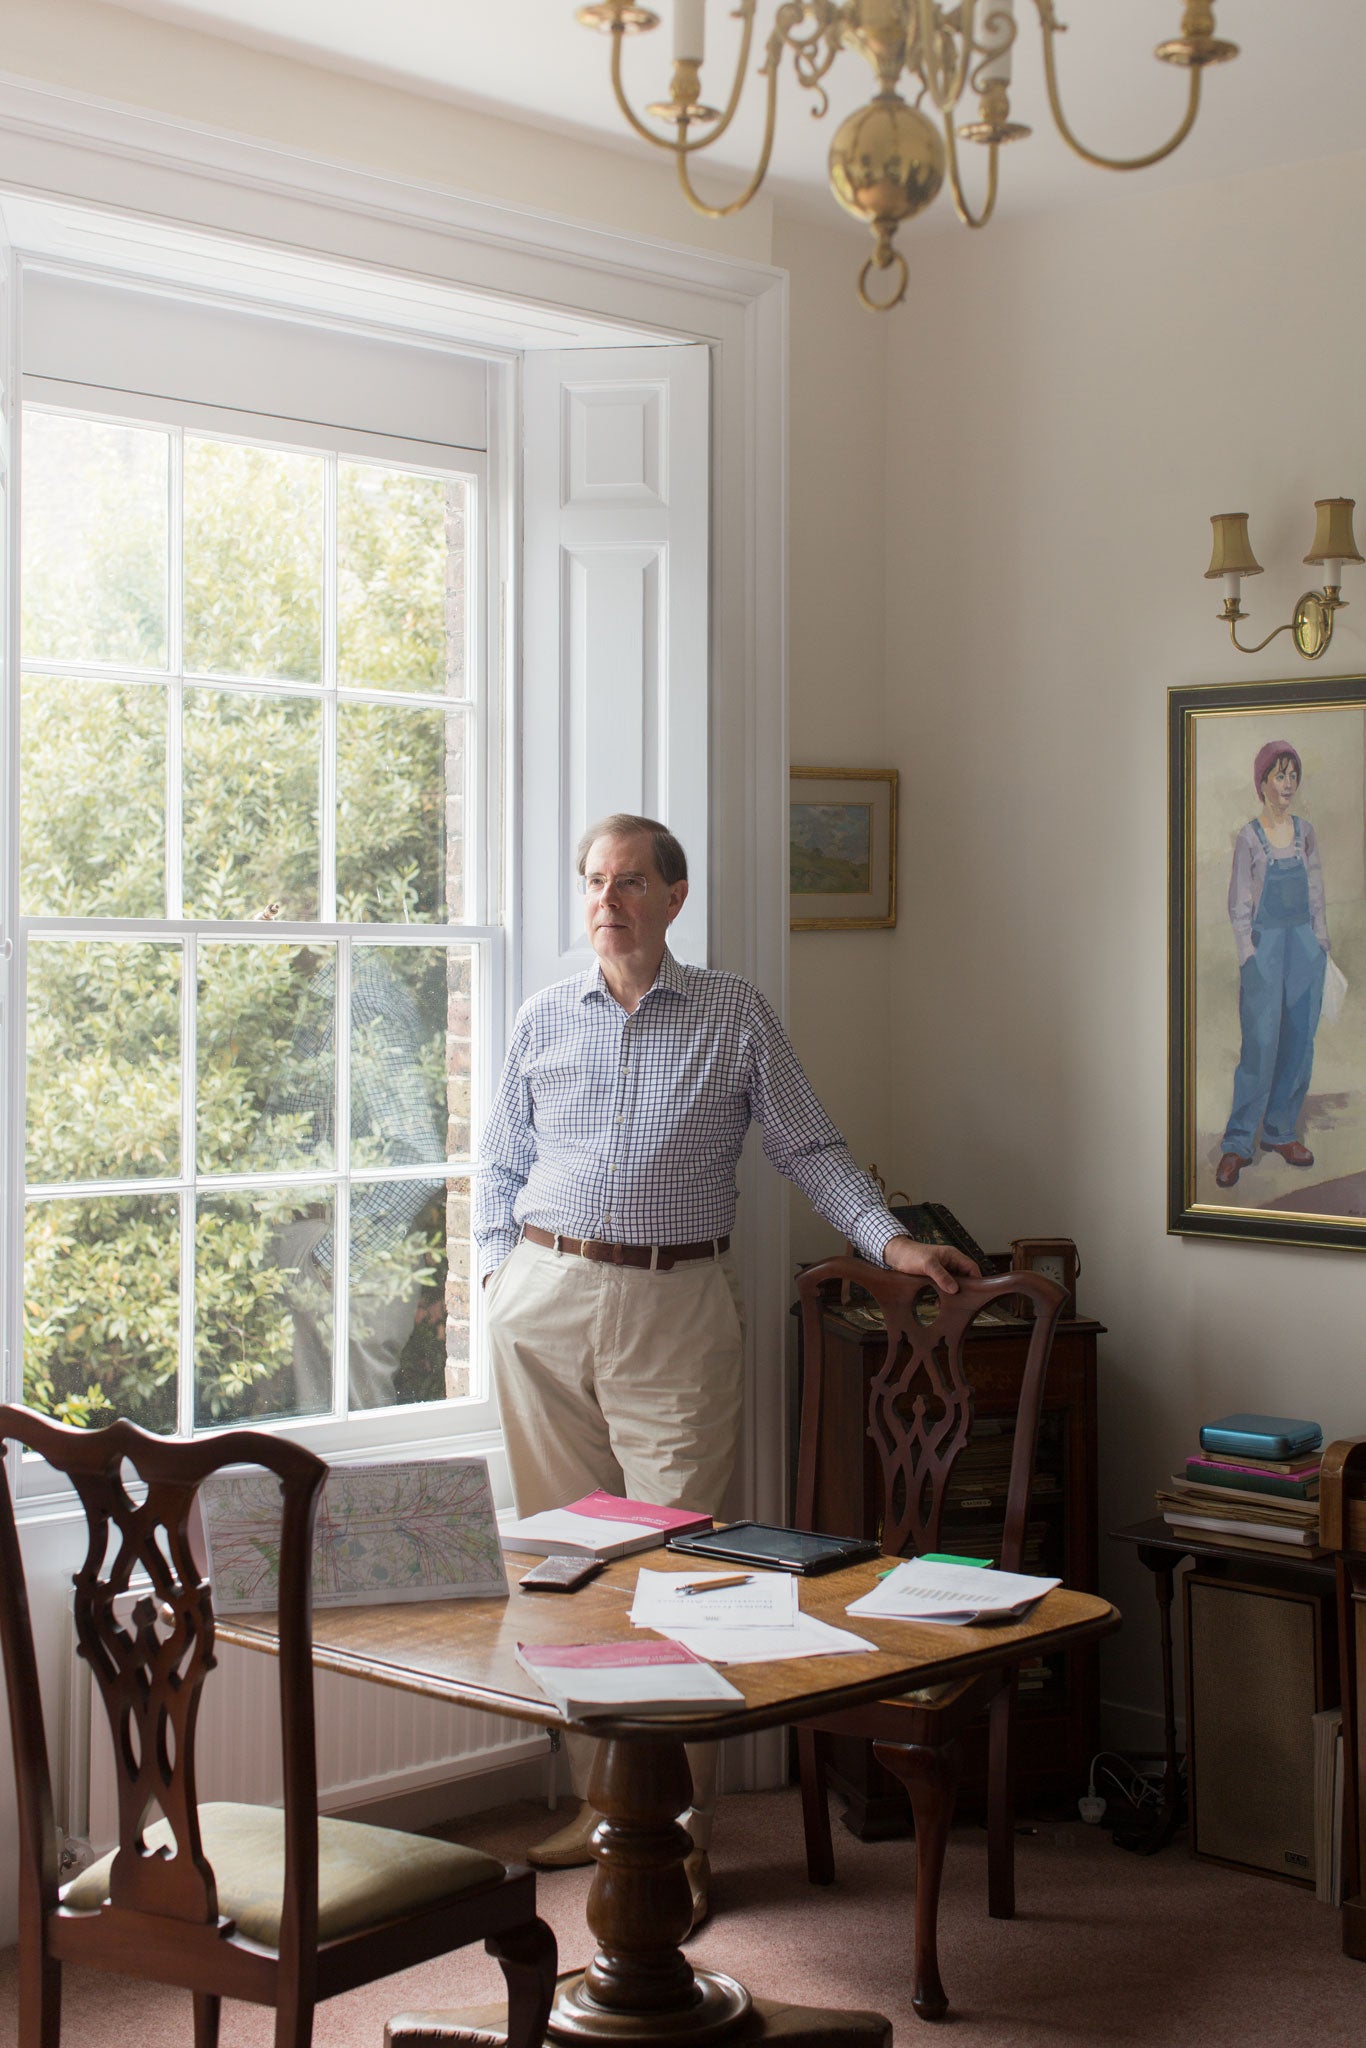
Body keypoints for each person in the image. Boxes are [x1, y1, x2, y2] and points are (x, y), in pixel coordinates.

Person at [473, 811, 977, 1926]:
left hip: (676, 1305)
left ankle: (678, 1837)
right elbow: (499, 1165)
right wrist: (497, 1280)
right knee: (562, 1566)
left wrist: (888, 1239)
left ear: (675, 894)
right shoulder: (540, 1015)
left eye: (632, 881)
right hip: (543, 1303)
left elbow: (809, 1145)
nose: (608, 900)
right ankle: (598, 1802)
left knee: (674, 1570)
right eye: (595, 881)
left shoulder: (735, 1012)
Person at [1216, 742, 1330, 1191]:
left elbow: (1317, 891)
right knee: (1261, 1045)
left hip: (1304, 945)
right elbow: (1239, 902)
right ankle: (1239, 1143)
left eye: (1292, 776)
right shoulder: (1249, 836)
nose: (1287, 785)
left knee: (1299, 1041)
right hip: (1265, 949)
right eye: (1279, 776)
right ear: (1262, 782)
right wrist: (1249, 953)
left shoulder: (1305, 833)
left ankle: (1280, 1133)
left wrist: (1320, 942)